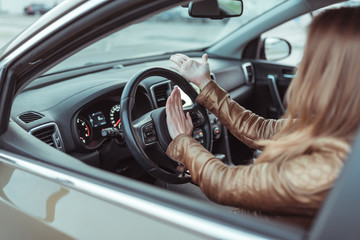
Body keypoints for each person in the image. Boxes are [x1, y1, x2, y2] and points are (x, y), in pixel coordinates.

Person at [165, 7, 360, 229]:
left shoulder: (328, 168)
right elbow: (262, 130)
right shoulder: (339, 129)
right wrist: (205, 84)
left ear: (336, 74)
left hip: (248, 225)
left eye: (310, 58)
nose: (300, 66)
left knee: (165, 186)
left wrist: (182, 140)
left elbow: (224, 183)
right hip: (255, 215)